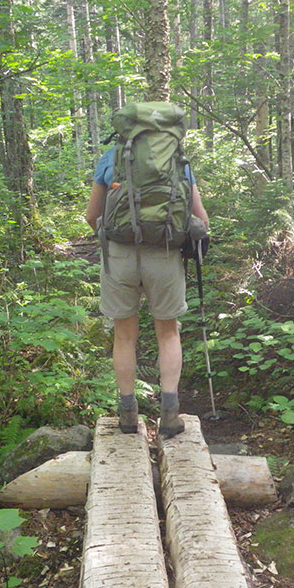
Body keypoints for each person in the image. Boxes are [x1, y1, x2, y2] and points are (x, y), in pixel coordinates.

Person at [85, 146, 209, 438]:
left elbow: (91, 215)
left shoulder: (111, 158)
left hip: (119, 256)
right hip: (164, 255)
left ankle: (127, 415)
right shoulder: (178, 161)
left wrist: (113, 240)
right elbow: (201, 220)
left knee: (124, 335)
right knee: (168, 332)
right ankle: (169, 414)